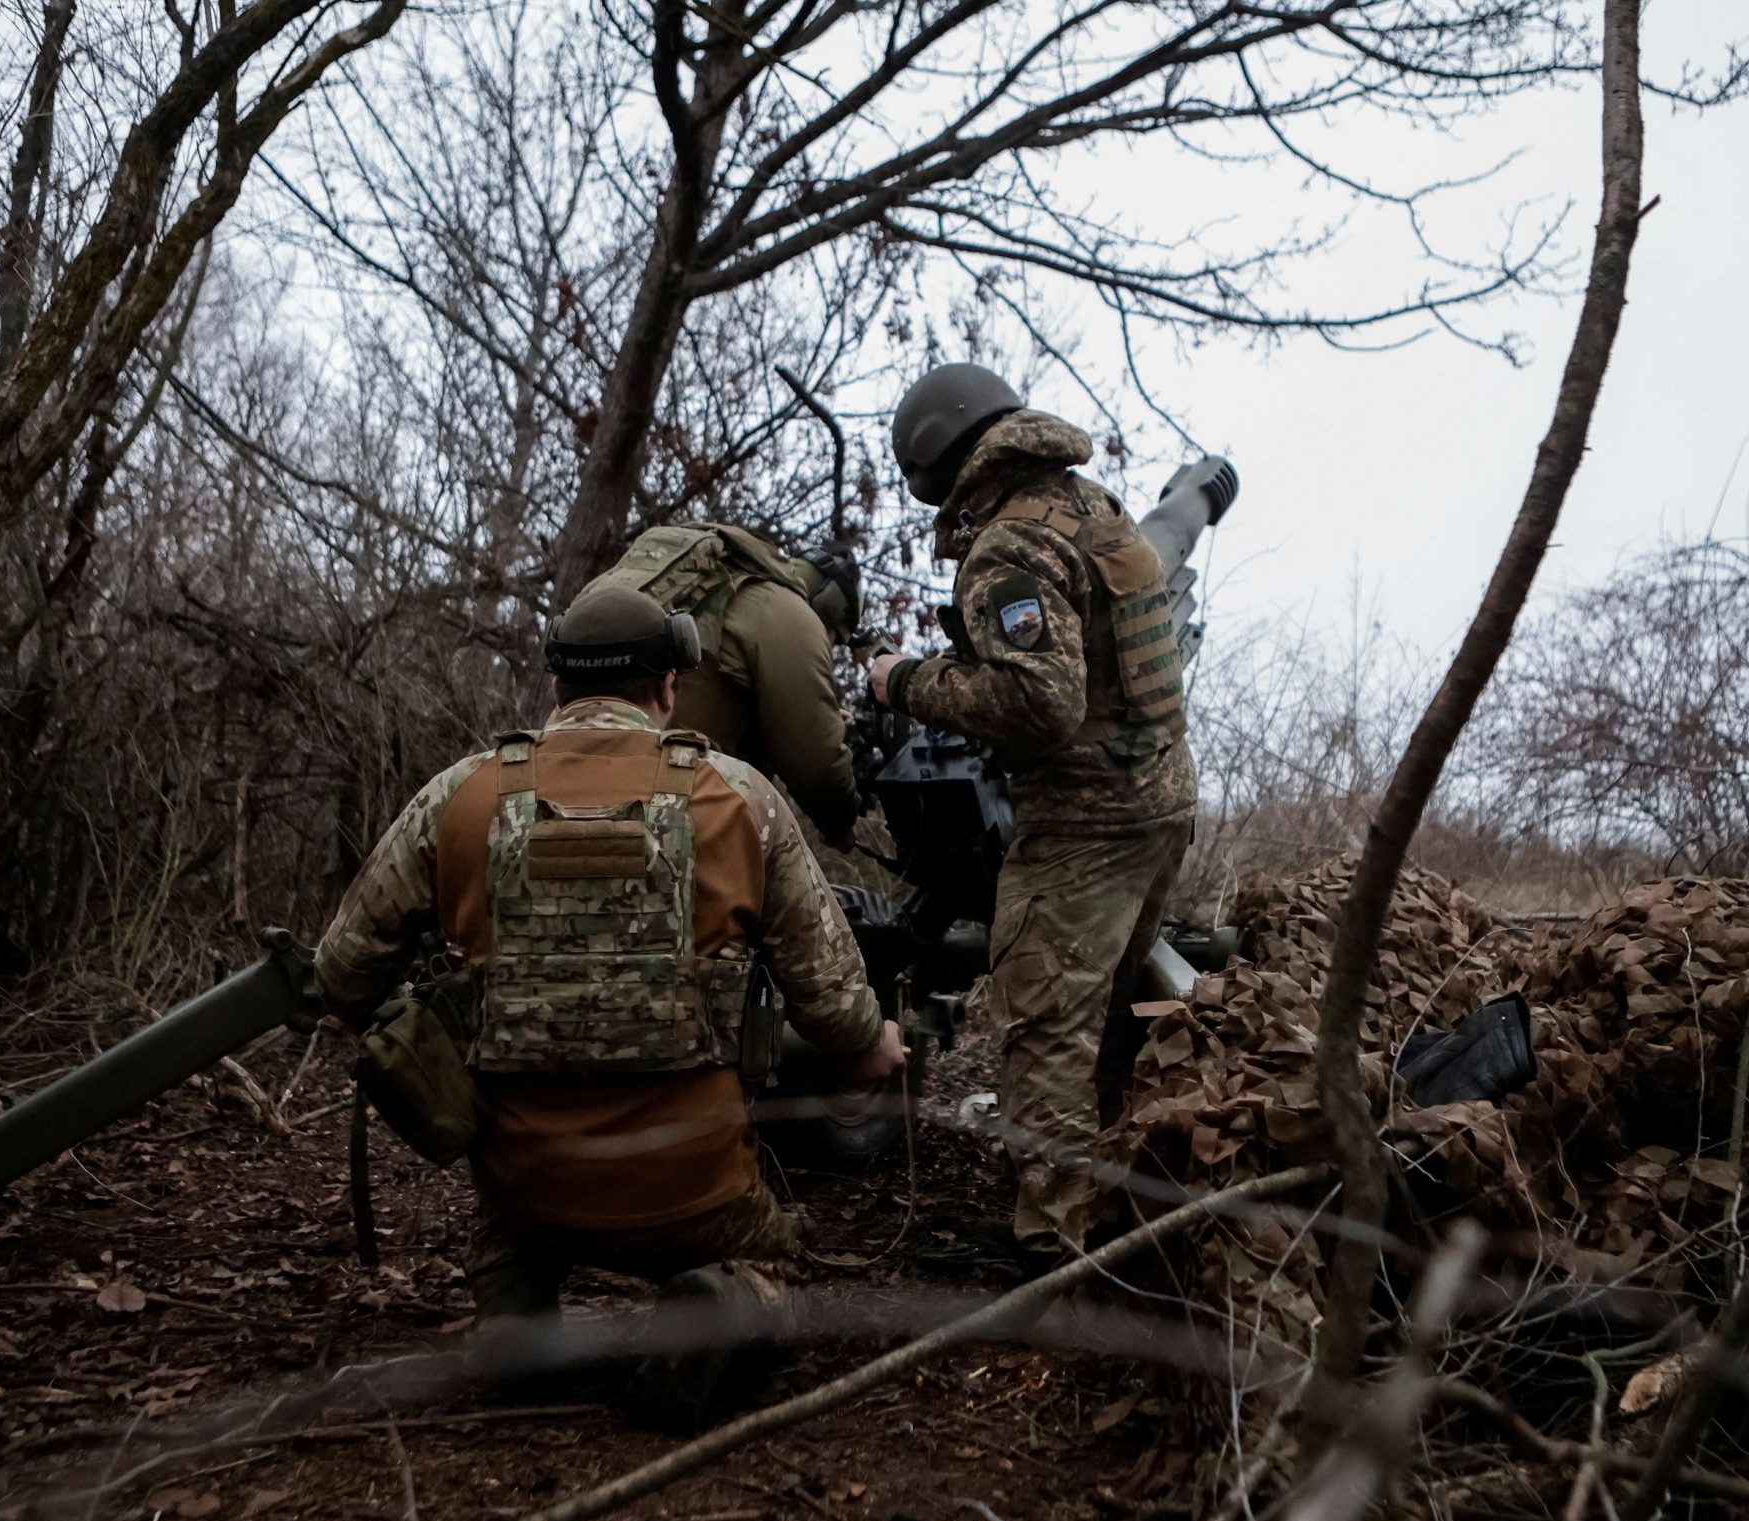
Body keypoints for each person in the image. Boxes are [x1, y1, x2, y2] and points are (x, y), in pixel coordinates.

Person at [316, 581, 904, 1348]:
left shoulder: (459, 796)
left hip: (525, 1186)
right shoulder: (739, 798)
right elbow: (833, 1007)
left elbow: (343, 971)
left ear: (559, 687)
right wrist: (874, 1047)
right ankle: (727, 1298)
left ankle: (514, 1297)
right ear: (669, 687)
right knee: (770, 1259)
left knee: (510, 1233)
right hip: (696, 1191)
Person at [867, 363, 1196, 1255]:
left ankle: (1058, 1245)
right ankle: (1130, 1197)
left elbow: (1040, 703)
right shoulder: (1090, 507)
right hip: (1158, 802)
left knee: (1045, 1026)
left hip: (1083, 823)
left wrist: (906, 680)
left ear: (935, 466)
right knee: (1114, 1012)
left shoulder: (1009, 546)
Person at [573, 522, 865, 849]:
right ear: (830, 604)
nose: (830, 645)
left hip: (567, 787)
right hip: (671, 815)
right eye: (836, 637)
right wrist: (842, 825)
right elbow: (817, 766)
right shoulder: (787, 613)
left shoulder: (707, 584)